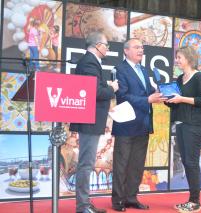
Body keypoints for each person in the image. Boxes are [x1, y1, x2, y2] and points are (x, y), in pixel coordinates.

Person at [111, 38, 166, 212]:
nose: (141, 50)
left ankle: (131, 197)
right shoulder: (119, 70)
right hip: (126, 125)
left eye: (142, 47)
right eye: (136, 47)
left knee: (137, 164)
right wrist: (147, 99)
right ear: (126, 51)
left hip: (143, 124)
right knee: (122, 164)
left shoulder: (143, 69)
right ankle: (118, 200)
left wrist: (158, 93)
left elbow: (147, 92)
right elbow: (123, 96)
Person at [69, 31, 119, 213]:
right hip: (88, 121)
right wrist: (112, 88)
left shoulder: (91, 62)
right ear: (98, 46)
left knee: (87, 163)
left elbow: (94, 90)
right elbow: (95, 92)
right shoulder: (89, 62)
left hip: (90, 120)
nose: (107, 49)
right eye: (106, 45)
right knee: (86, 163)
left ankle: (85, 203)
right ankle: (82, 206)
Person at [165, 46, 201, 212]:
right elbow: (175, 103)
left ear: (189, 59)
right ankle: (191, 199)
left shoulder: (198, 77)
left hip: (194, 125)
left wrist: (181, 98)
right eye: (177, 57)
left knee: (191, 162)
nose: (177, 60)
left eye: (179, 57)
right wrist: (167, 99)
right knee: (186, 162)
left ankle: (195, 201)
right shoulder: (178, 79)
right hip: (181, 124)